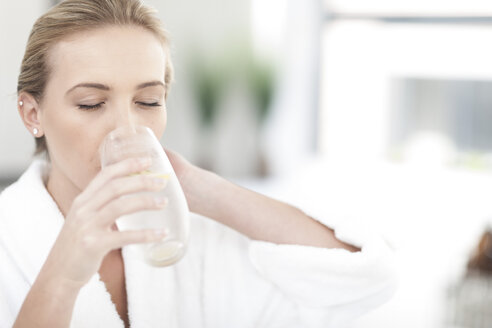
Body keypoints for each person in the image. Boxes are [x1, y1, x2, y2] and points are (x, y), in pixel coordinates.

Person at [0, 0, 397, 327]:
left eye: (148, 101)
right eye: (91, 103)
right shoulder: (9, 240)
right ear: (32, 113)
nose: (127, 126)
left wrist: (202, 189)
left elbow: (365, 278)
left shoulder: (191, 236)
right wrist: (62, 277)